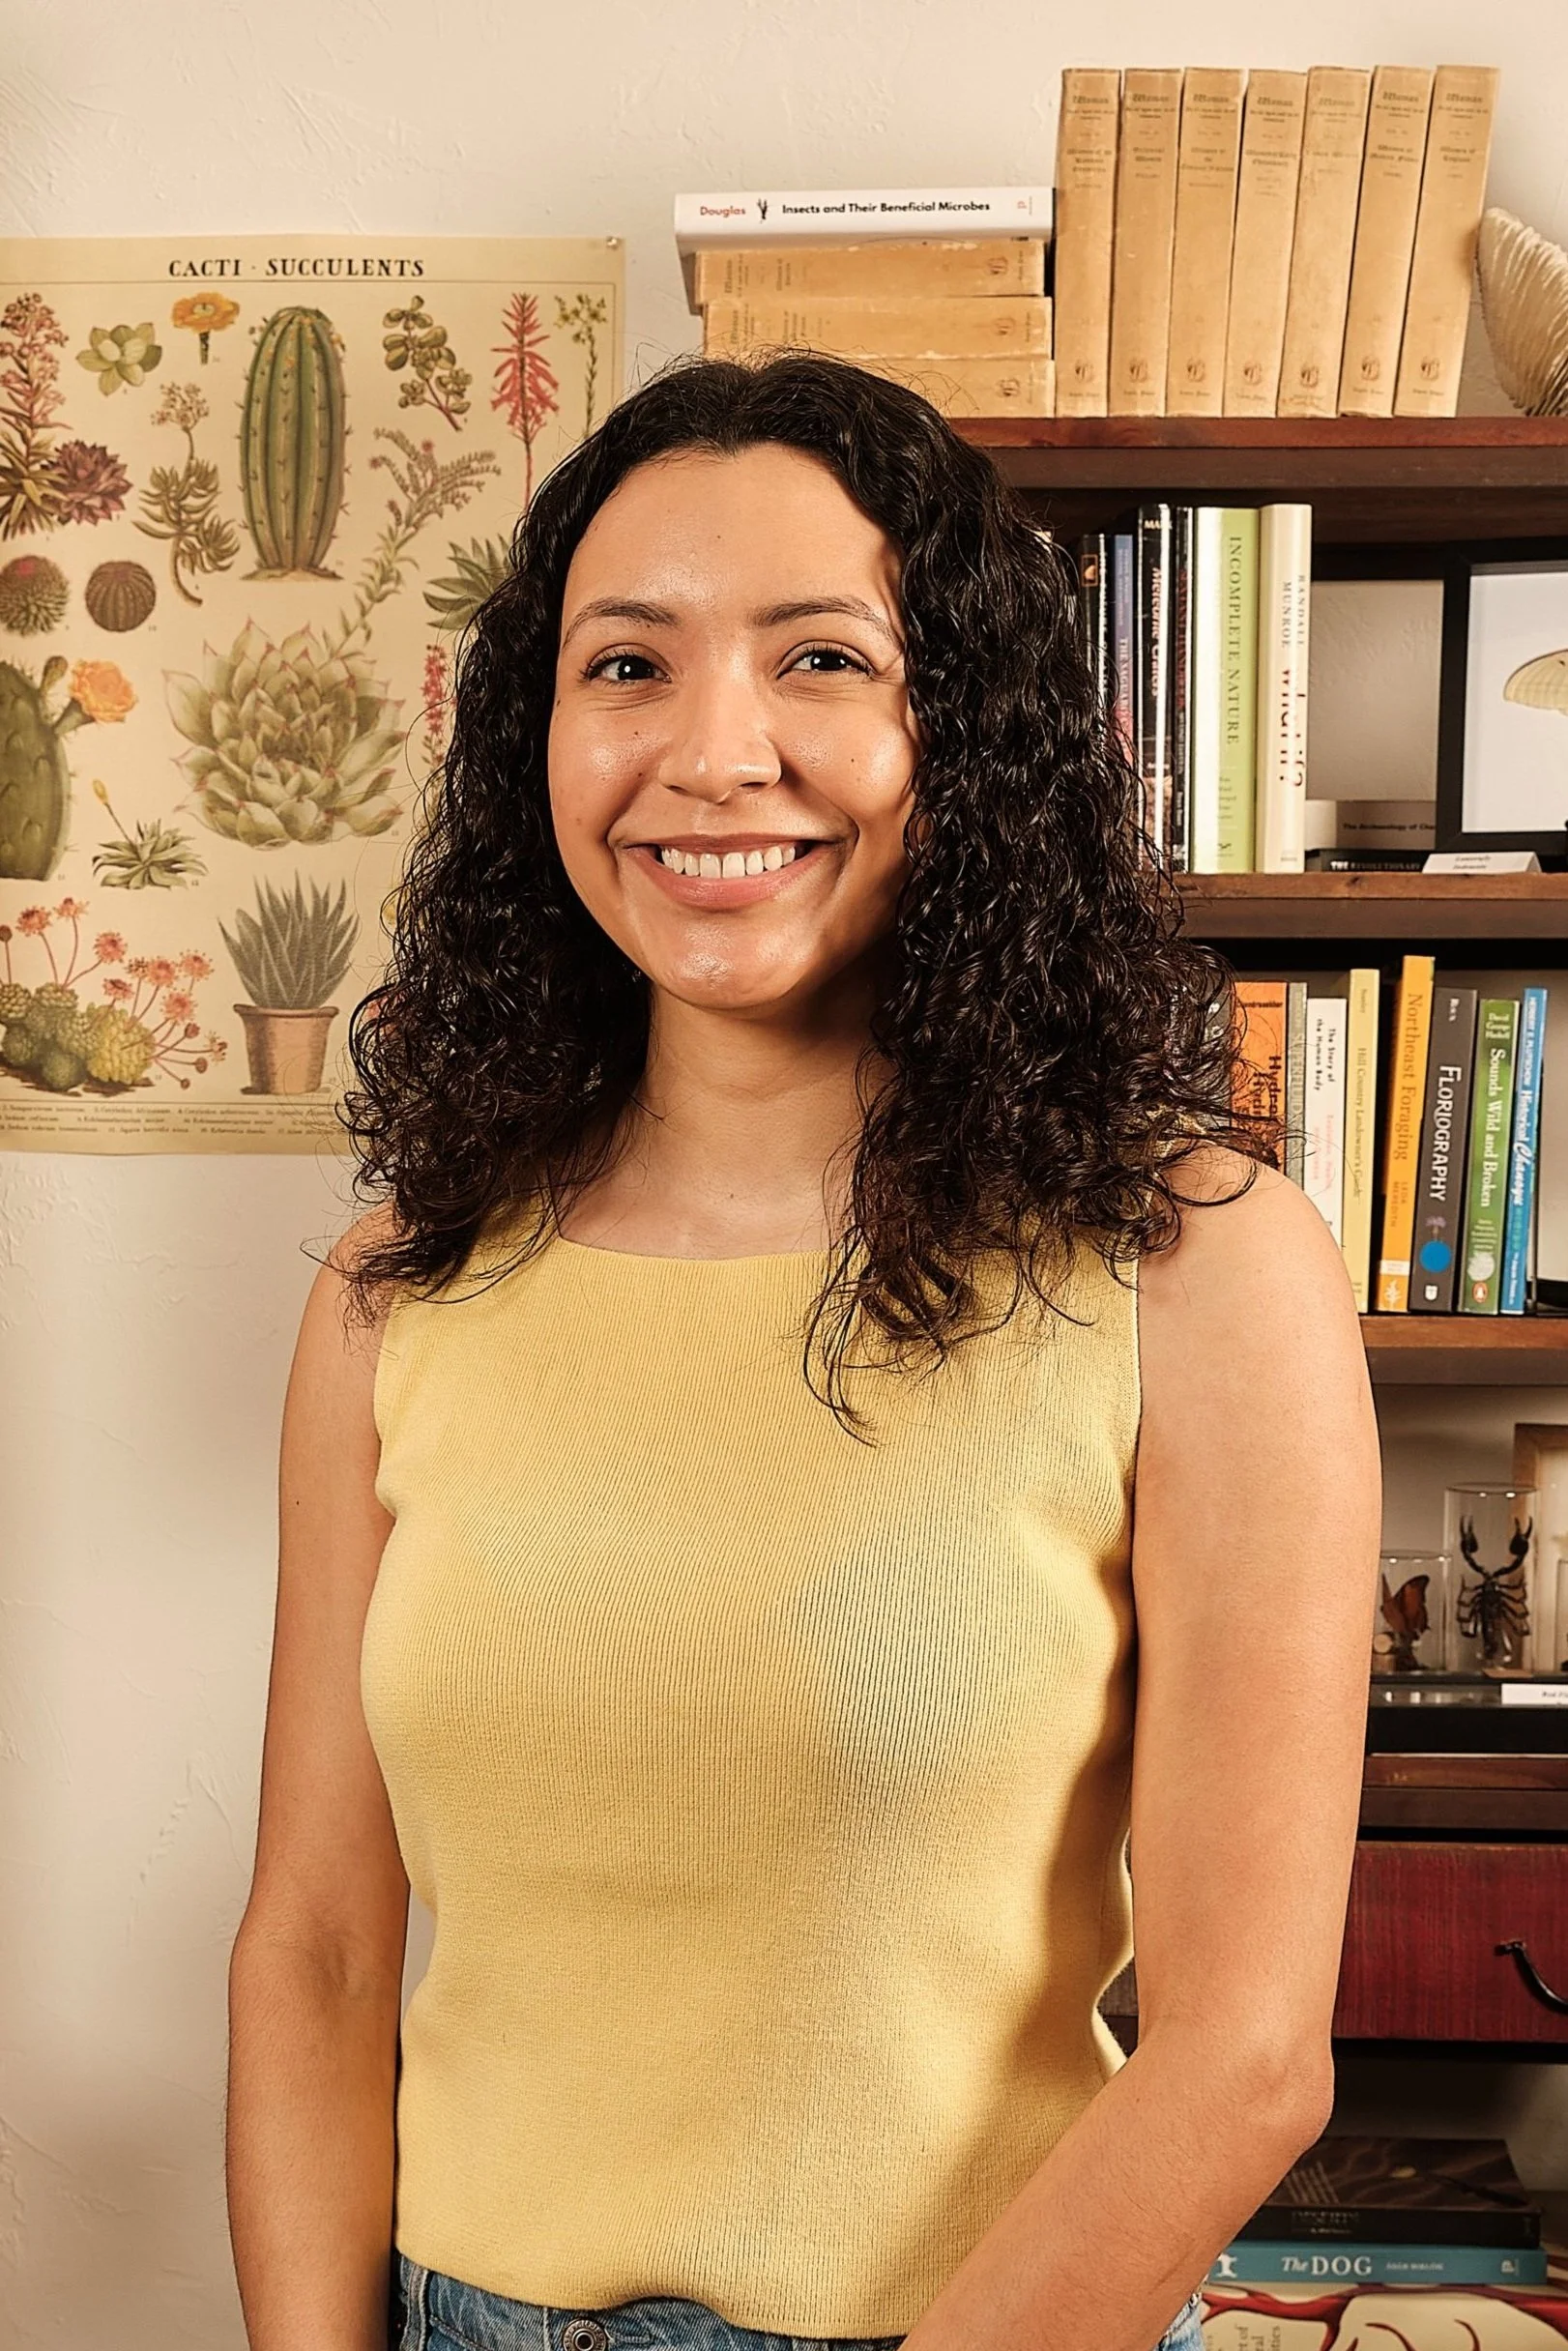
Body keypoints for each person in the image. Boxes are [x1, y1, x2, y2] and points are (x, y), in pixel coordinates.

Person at [225, 353, 1381, 2351]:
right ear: (539, 742)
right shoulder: (391, 1295)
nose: (714, 752)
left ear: (965, 730)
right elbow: (319, 1954)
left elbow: (1250, 2052)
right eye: (628, 666)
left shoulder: (1197, 1273)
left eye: (821, 659)